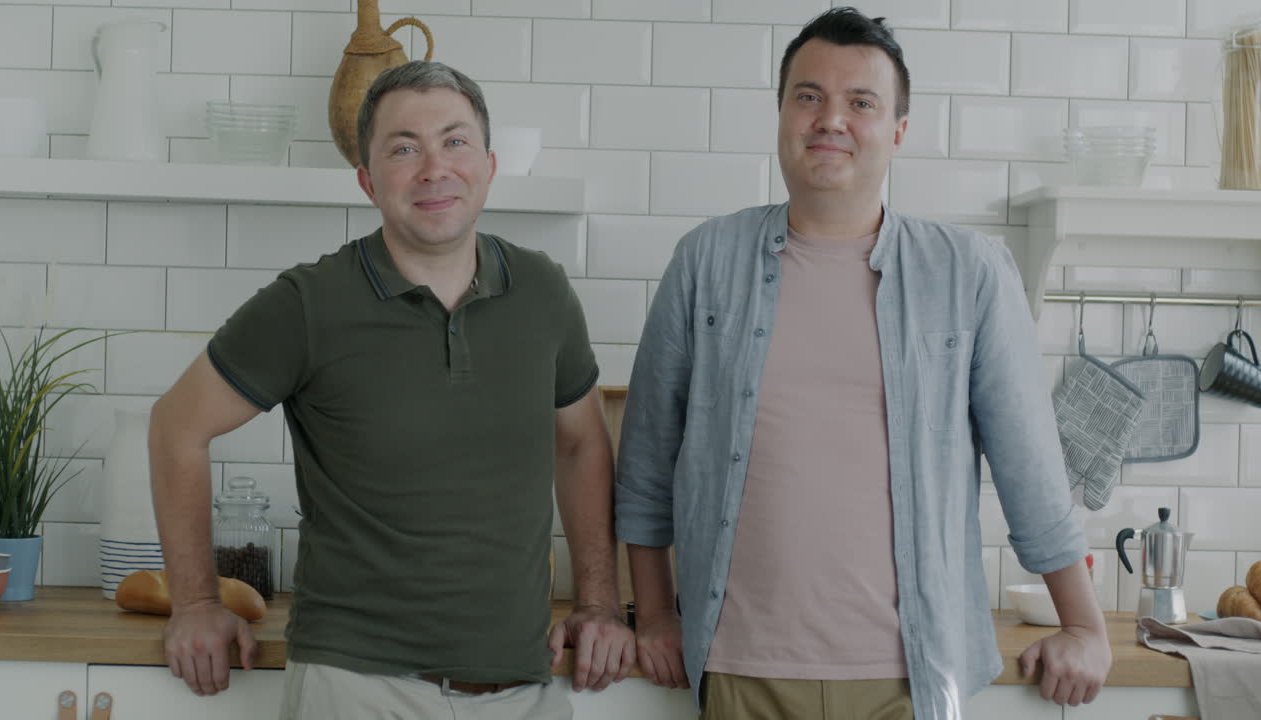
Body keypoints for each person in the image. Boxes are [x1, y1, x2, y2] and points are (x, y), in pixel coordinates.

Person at [614, 7, 1111, 719]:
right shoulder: (705, 262)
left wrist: (1085, 626)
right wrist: (656, 613)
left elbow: (1030, 467)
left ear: (898, 131)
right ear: (781, 114)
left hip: (909, 672)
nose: (830, 119)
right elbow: (647, 463)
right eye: (808, 96)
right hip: (736, 667)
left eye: (861, 102)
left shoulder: (966, 273)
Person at [149, 60, 634, 719]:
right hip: (357, 687)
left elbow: (581, 445)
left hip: (524, 689)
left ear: (488, 165)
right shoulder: (308, 303)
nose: (435, 168)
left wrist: (600, 605)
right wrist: (197, 603)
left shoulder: (543, 292)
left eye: (455, 141)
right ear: (367, 180)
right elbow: (178, 425)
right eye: (404, 148)